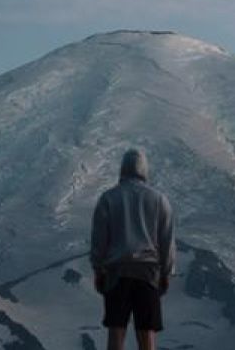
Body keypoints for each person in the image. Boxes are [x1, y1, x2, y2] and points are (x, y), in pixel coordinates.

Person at [89, 148, 176, 350]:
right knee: (146, 335)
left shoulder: (108, 198)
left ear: (122, 169)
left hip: (116, 273)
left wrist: (98, 269)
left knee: (116, 332)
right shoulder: (159, 200)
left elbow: (99, 239)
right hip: (148, 273)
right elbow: (166, 240)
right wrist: (166, 273)